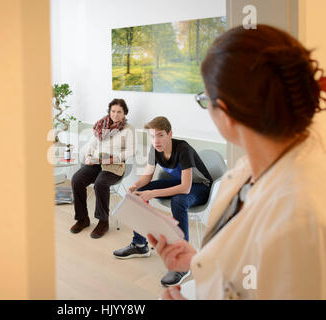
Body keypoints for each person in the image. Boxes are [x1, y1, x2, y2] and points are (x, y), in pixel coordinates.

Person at [149, 24, 326, 299]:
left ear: (227, 113)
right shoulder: (254, 168)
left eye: (205, 98)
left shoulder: (299, 218)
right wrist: (200, 261)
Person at [113, 116, 212, 287]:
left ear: (169, 134)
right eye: (152, 136)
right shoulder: (155, 149)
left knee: (178, 201)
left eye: (160, 135)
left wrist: (153, 193)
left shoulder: (183, 150)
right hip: (181, 184)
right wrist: (136, 186)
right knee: (139, 192)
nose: (156, 140)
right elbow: (147, 175)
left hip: (200, 187)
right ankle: (139, 244)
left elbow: (186, 188)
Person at [70, 98, 134, 239]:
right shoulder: (102, 125)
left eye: (119, 112)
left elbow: (131, 151)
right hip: (97, 162)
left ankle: (103, 222)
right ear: (109, 111)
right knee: (77, 179)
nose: (115, 115)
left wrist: (113, 158)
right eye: (113, 111)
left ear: (124, 113)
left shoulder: (128, 129)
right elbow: (92, 144)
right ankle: (82, 219)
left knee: (100, 183)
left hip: (114, 165)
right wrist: (88, 157)